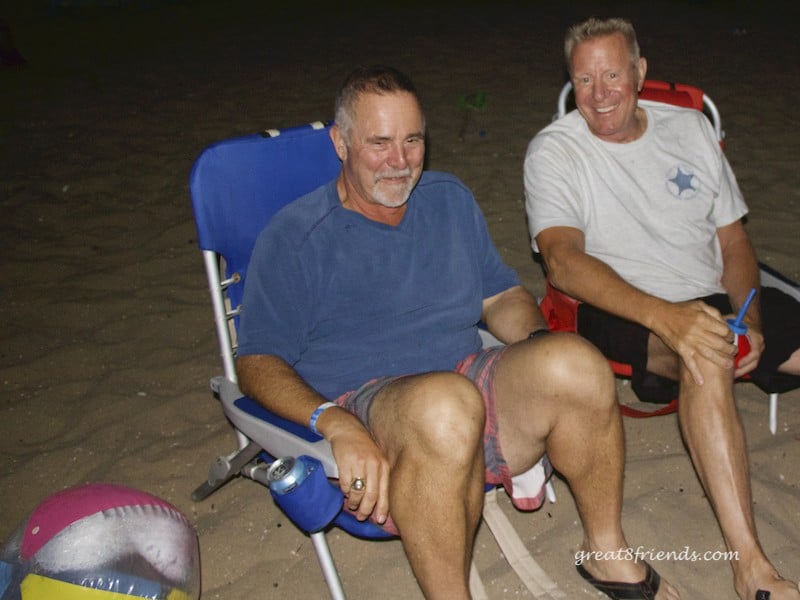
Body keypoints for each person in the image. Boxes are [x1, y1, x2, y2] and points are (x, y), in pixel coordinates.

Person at [236, 65, 678, 600]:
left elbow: (501, 298)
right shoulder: (296, 237)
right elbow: (257, 361)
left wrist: (539, 351)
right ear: (340, 142)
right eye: (380, 143)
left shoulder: (448, 199)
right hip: (370, 410)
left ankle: (606, 554)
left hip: (468, 382)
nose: (400, 161)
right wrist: (334, 424)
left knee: (577, 361)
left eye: (413, 140)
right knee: (447, 403)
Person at [524, 17, 800, 600]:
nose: (599, 94)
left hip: (718, 299)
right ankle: (751, 566)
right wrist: (667, 317)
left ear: (640, 72)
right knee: (704, 353)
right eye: (585, 80)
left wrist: (747, 317)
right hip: (621, 306)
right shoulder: (556, 150)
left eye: (613, 75)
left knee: (726, 336)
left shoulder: (691, 128)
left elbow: (733, 242)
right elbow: (563, 262)